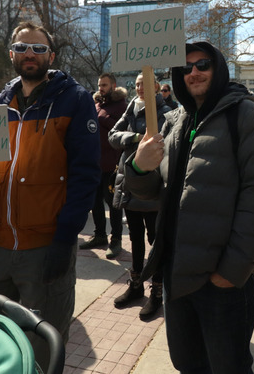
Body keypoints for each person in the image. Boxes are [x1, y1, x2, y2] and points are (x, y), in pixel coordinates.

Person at [127, 41, 254, 372]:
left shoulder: (245, 115)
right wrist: (138, 167)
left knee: (229, 366)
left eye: (203, 64)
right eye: (185, 68)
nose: (194, 72)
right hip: (176, 275)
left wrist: (230, 272)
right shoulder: (173, 121)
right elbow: (154, 194)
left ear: (219, 68)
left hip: (222, 282)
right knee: (187, 363)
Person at [0, 21, 100, 364]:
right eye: (21, 48)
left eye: (37, 48)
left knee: (40, 349)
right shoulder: (0, 102)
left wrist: (65, 239)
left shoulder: (75, 100)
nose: (29, 54)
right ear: (11, 55)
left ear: (51, 55)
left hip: (46, 246)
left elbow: (85, 176)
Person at [107, 72, 170, 320]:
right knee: (134, 237)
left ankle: (157, 291)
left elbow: (166, 143)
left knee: (155, 239)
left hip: (152, 184)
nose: (140, 88)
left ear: (156, 86)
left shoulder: (165, 111)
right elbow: (112, 135)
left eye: (145, 84)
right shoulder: (131, 108)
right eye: (136, 84)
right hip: (129, 182)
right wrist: (134, 138)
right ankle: (136, 285)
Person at [80, 73, 128, 257]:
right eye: (99, 84)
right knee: (95, 202)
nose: (101, 87)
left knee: (113, 203)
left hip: (112, 163)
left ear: (113, 86)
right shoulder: (96, 104)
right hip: (94, 162)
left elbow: (122, 131)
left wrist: (102, 119)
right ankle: (100, 235)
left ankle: (116, 239)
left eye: (105, 84)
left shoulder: (121, 105)